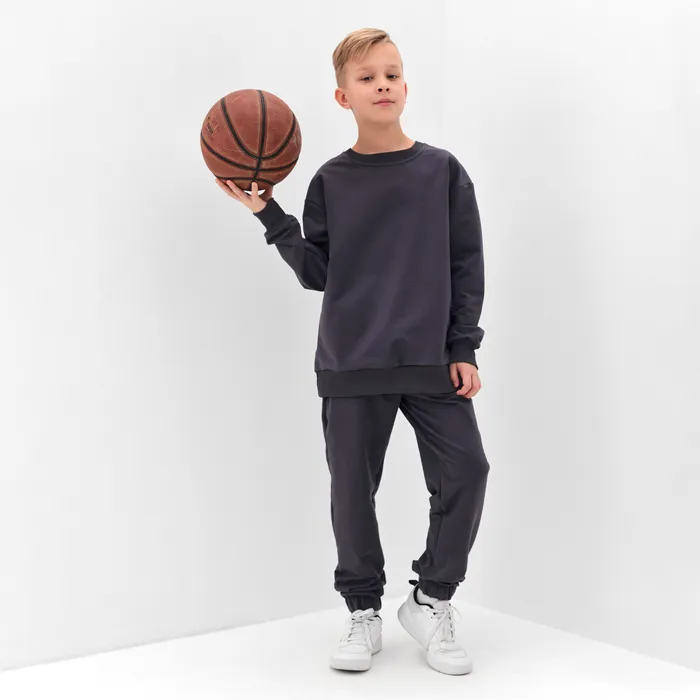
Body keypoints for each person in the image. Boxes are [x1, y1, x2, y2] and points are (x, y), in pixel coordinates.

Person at [217, 27, 490, 677]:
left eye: (391, 74)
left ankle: (430, 599)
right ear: (343, 97)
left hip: (431, 360)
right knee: (352, 493)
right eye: (367, 78)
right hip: (351, 361)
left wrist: (463, 346)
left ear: (406, 86)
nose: (382, 85)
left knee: (468, 470)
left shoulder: (443, 172)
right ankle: (363, 609)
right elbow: (319, 272)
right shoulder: (331, 180)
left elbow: (466, 264)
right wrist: (268, 214)